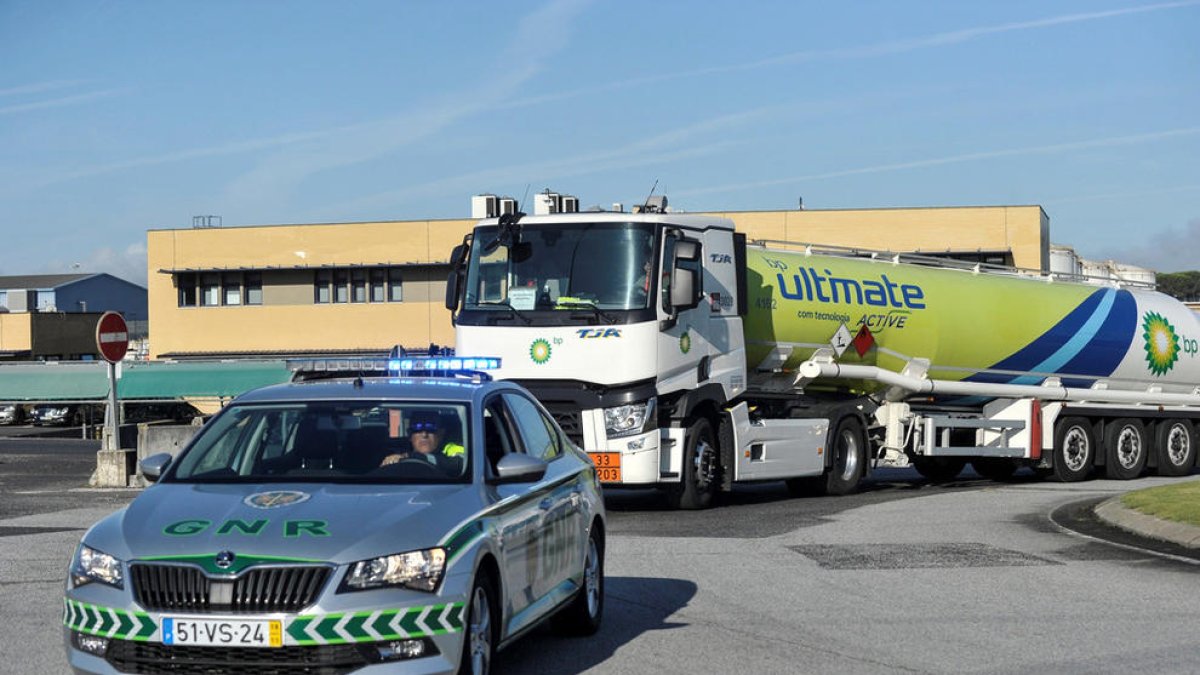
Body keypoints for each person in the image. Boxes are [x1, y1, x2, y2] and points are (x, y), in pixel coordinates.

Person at [380, 411, 465, 475]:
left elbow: (458, 464)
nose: (424, 434)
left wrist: (411, 456)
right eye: (417, 428)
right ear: (410, 434)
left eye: (430, 428)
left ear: (441, 433)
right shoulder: (393, 454)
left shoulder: (453, 449)